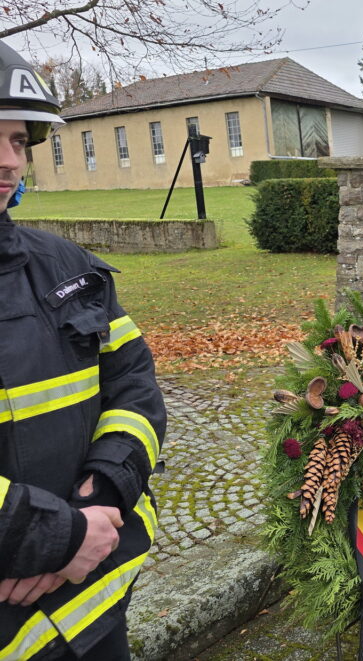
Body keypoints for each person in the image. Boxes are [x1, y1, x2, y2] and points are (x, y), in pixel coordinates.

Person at [0, 40, 166, 660]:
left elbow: (134, 383)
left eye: (18, 141)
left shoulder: (66, 267)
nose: (9, 161)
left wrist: (100, 499)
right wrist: (58, 538)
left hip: (92, 616)